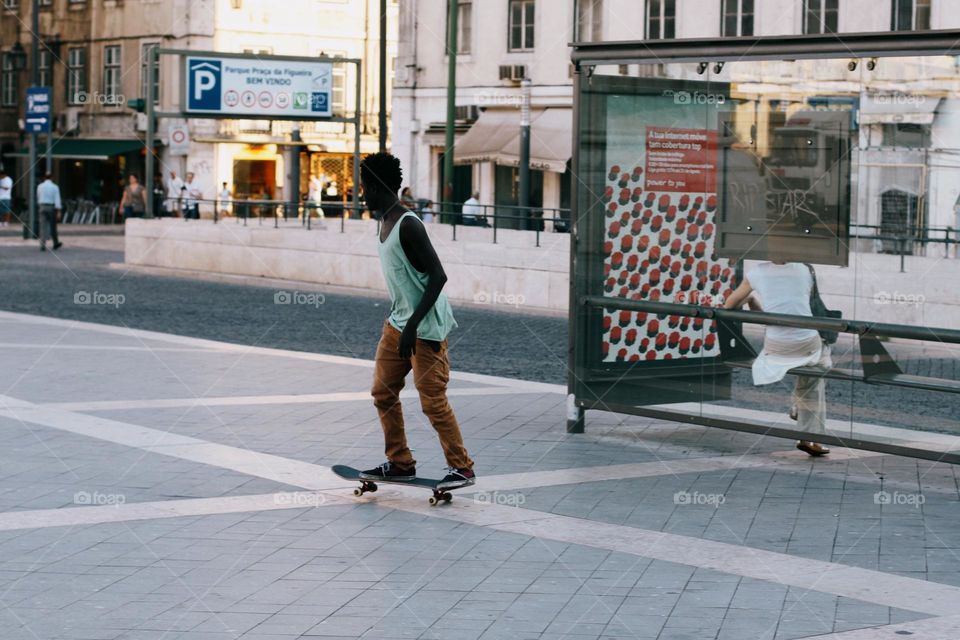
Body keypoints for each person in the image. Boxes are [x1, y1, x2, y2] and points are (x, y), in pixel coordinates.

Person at [358, 152, 476, 490]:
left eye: (364, 187)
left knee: (432, 401)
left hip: (424, 329)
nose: (361, 193)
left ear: (377, 186)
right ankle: (399, 462)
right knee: (382, 392)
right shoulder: (384, 222)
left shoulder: (408, 224)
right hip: (397, 324)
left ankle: (462, 467)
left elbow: (438, 277)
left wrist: (412, 326)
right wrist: (402, 324)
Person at [724, 252, 832, 457]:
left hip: (776, 347)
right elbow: (800, 307)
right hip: (806, 342)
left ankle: (801, 415)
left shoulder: (756, 272)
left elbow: (729, 305)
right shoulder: (805, 269)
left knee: (812, 370)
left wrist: (751, 299)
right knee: (820, 366)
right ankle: (809, 434)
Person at [36, 173, 62, 251]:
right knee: (53, 226)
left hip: (42, 206)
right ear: (52, 178)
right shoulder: (55, 187)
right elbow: (57, 199)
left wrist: (40, 205)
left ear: (44, 177)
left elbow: (38, 196)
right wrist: (59, 210)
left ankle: (42, 245)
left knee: (42, 226)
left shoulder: (40, 186)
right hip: (51, 207)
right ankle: (55, 243)